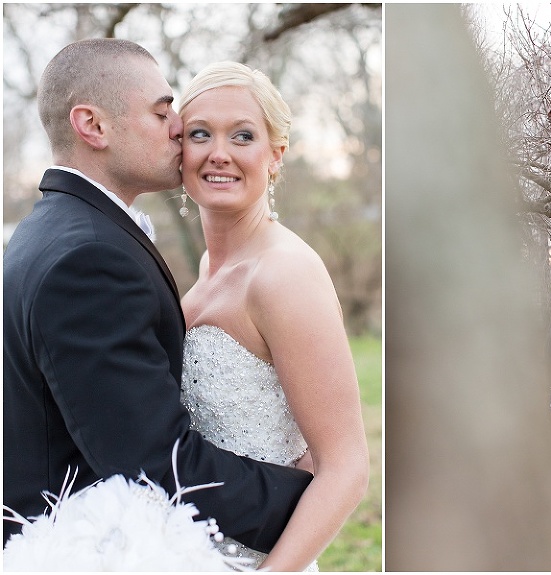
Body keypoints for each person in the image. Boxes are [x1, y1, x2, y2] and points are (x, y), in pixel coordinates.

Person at [3, 39, 313, 553]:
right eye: (161, 110)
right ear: (93, 126)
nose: (177, 128)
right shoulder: (88, 258)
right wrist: (305, 496)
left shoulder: (49, 233)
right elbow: (153, 457)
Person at [176, 61, 369, 571]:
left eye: (242, 135)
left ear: (275, 156)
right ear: (180, 151)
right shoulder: (207, 269)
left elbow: (346, 467)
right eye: (200, 134)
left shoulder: (284, 273)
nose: (219, 153)